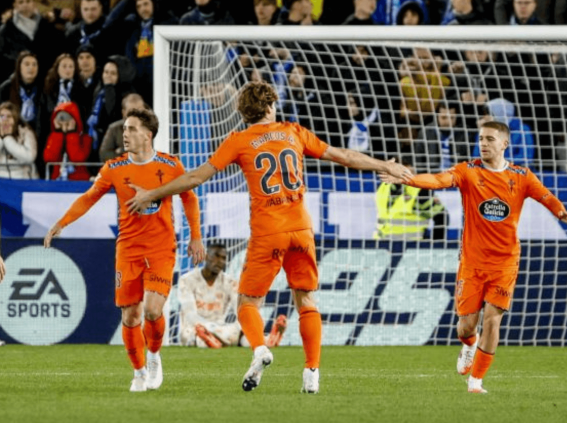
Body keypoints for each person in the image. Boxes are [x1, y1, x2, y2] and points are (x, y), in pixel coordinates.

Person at [125, 81, 412, 394]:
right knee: (306, 299)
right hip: (301, 228)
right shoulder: (294, 132)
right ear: (271, 106)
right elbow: (343, 155)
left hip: (268, 231)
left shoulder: (239, 140)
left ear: (244, 113)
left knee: (248, 301)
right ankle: (311, 373)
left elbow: (195, 177)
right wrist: (385, 165)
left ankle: (260, 349)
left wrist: (152, 193)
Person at [379, 121, 567, 393]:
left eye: (490, 139)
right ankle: (469, 345)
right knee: (466, 327)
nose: (483, 143)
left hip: (505, 263)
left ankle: (476, 381)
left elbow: (545, 195)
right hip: (472, 263)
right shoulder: (467, 171)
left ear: (504, 143)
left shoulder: (521, 175)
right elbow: (438, 180)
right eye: (481, 138)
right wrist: (409, 178)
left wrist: (561, 211)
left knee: (493, 320)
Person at [44, 108, 204, 392]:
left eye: (131, 129)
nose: (124, 134)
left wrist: (196, 237)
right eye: (125, 128)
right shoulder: (114, 168)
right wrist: (62, 222)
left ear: (147, 134)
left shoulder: (171, 165)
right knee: (131, 316)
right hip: (128, 249)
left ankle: (154, 357)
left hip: (161, 247)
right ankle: (139, 372)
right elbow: (89, 197)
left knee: (154, 311)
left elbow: (189, 199)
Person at [178, 242, 288, 349]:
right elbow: (191, 315)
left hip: (221, 329)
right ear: (206, 257)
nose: (219, 261)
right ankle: (211, 339)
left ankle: (268, 341)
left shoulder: (229, 282)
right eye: (216, 256)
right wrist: (209, 328)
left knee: (244, 333)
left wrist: (247, 325)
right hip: (194, 328)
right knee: (192, 337)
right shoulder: (186, 280)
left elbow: (240, 310)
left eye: (223, 258)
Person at [374, 158, 447, 241]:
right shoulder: (383, 187)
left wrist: (435, 244)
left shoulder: (420, 190)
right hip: (383, 243)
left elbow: (442, 217)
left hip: (409, 247)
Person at [0, 101, 38, 179]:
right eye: (2, 116)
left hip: (22, 179)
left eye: (9, 116)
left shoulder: (26, 132)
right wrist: (1, 138)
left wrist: (7, 138)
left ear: (16, 117)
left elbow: (29, 157)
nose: (5, 120)